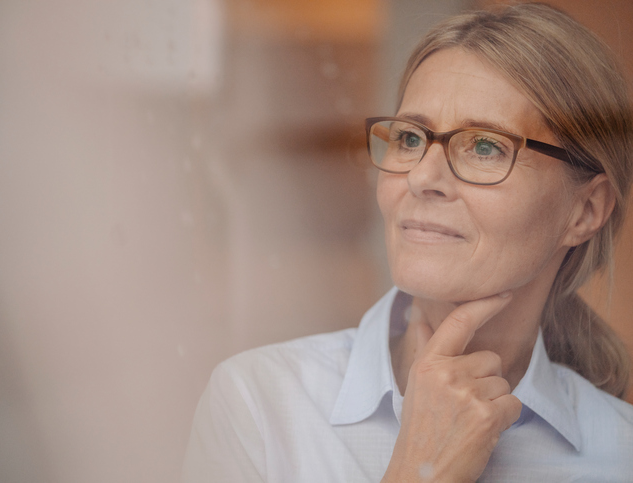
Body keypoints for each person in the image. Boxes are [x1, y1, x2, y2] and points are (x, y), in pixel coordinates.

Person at [182, 3, 633, 482]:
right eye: (410, 139)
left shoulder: (621, 453)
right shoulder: (260, 406)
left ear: (585, 211)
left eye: (485, 146)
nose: (421, 176)